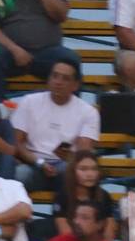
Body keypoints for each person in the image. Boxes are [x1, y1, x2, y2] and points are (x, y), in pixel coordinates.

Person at [8, 59, 100, 188]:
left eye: (65, 78)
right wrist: (39, 162)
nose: (58, 82)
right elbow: (17, 143)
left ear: (75, 85)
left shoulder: (88, 112)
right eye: (55, 76)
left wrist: (69, 156)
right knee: (20, 174)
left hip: (66, 165)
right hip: (32, 162)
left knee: (74, 173)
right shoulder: (29, 102)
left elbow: (83, 154)